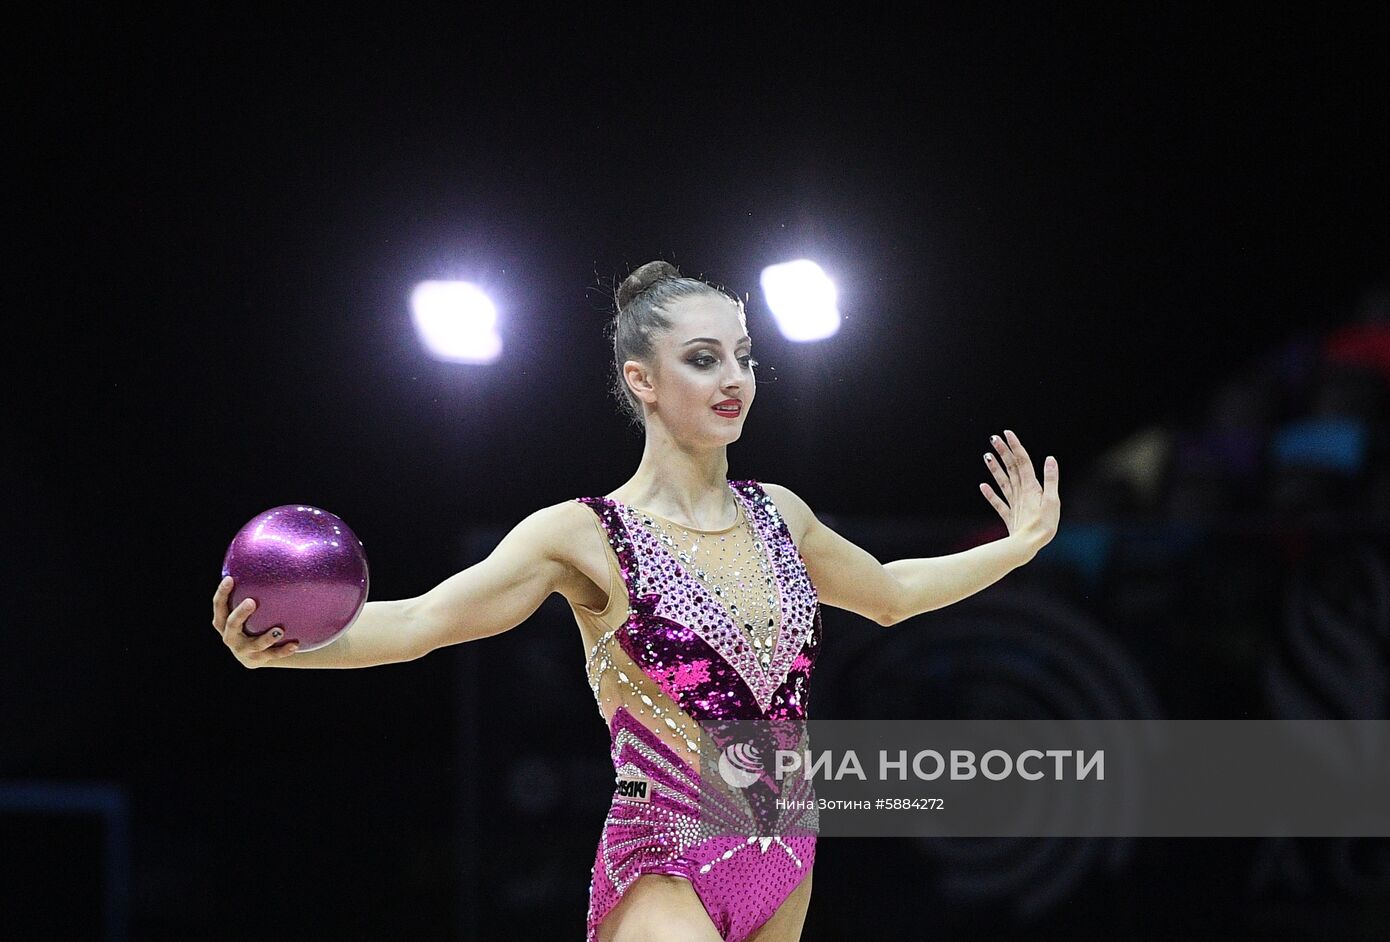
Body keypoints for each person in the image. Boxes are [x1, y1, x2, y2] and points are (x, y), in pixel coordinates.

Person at [211, 260, 1061, 941]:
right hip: (662, 855)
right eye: (703, 359)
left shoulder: (781, 516)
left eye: (743, 356)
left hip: (786, 852)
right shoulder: (582, 535)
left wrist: (1016, 547)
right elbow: (423, 620)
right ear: (642, 381)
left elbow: (891, 595)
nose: (734, 378)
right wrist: (300, 643)